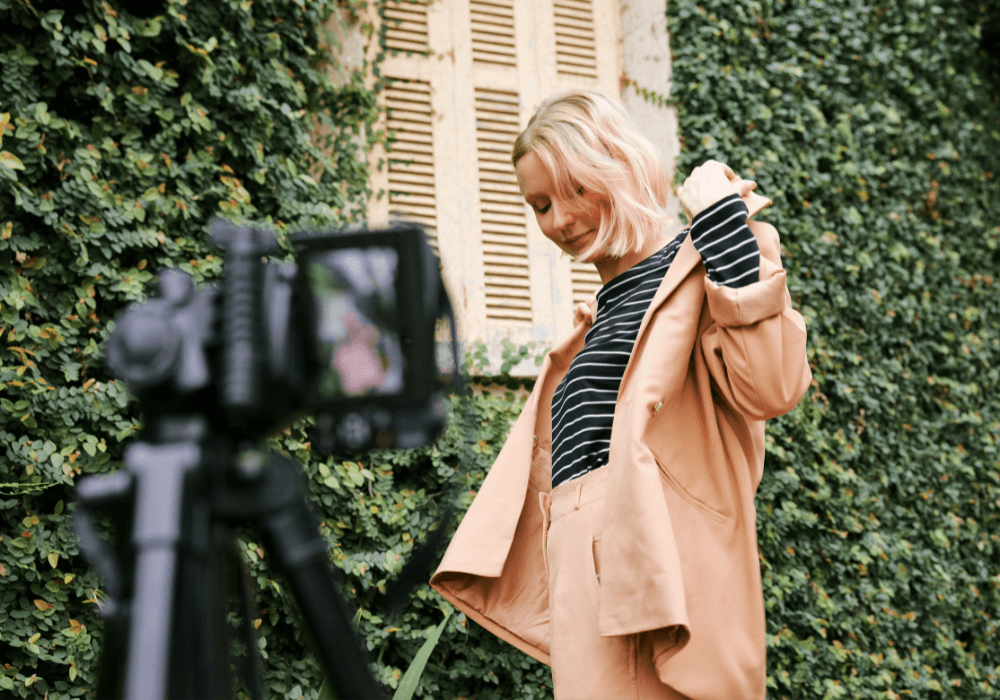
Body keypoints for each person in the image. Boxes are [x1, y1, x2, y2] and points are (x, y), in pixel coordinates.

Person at [431, 91, 811, 699]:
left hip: (669, 575)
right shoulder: (586, 333)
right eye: (541, 204)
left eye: (575, 189)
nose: (558, 219)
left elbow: (772, 385)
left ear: (619, 165)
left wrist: (720, 226)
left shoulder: (697, 271)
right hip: (584, 589)